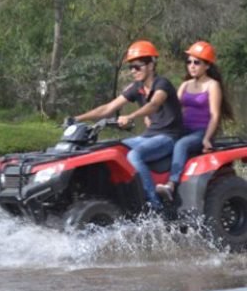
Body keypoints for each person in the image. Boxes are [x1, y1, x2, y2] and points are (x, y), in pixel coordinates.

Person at [71, 40, 184, 210]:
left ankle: (154, 206)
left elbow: (154, 104)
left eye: (137, 67)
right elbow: (108, 108)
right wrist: (77, 119)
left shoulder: (162, 84)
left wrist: (131, 116)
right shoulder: (136, 88)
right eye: (130, 67)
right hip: (148, 136)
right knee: (113, 150)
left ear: (151, 65)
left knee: (134, 156)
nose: (133, 71)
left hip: (168, 137)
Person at [155, 41, 234, 201]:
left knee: (181, 144)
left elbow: (215, 115)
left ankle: (171, 183)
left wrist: (206, 138)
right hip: (183, 129)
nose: (191, 66)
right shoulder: (185, 85)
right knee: (162, 141)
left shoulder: (212, 85)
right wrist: (157, 122)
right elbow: (173, 111)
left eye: (196, 62)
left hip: (202, 131)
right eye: (189, 62)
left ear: (207, 66)